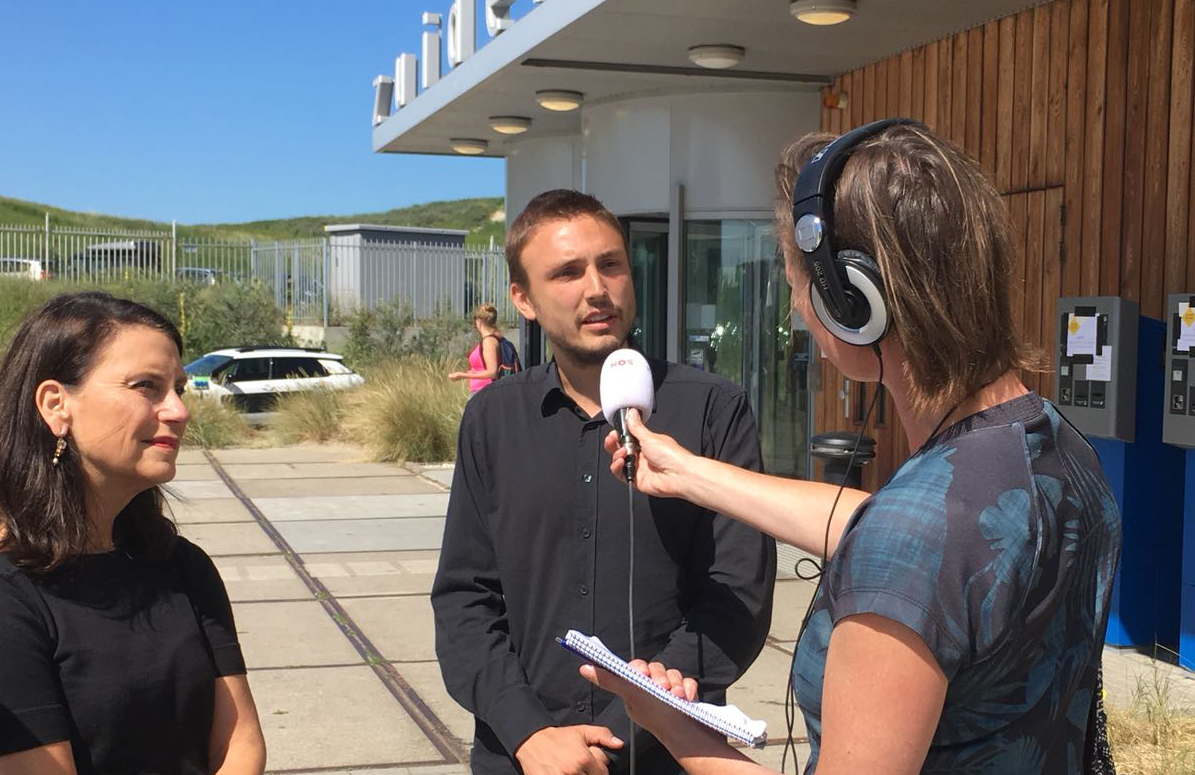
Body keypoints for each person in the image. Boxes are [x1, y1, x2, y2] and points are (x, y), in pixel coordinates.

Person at [582, 120, 1123, 774]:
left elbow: (908, 546)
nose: (796, 311)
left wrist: (670, 723)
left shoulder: (918, 537)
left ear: (853, 302)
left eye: (796, 284)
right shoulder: (1054, 444)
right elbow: (893, 531)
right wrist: (688, 473)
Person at [431, 189, 777, 775]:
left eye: (611, 264)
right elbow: (465, 598)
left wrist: (630, 725)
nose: (597, 288)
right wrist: (529, 732)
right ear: (524, 299)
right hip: (524, 758)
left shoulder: (713, 410)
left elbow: (738, 592)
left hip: (666, 754)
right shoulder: (493, 418)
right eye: (567, 272)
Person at [0, 292, 267, 775]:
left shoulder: (181, 566)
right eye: (147, 386)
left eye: (178, 389)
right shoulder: (11, 594)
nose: (178, 411)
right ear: (56, 405)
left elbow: (239, 743)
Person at [448, 302, 505, 393]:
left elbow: (492, 372)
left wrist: (462, 375)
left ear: (479, 321)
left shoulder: (489, 342)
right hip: (480, 390)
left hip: (484, 391)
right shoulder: (489, 340)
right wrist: (472, 373)